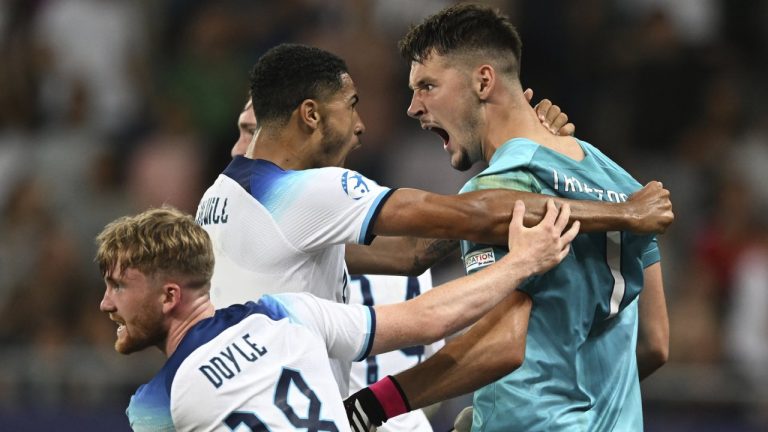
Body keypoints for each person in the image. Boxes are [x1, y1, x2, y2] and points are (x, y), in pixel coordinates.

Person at [197, 43, 673, 397]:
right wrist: (623, 213)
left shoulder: (221, 198)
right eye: (352, 106)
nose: (362, 126)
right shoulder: (303, 192)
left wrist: (514, 150)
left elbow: (411, 254)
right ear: (311, 115)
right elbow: (474, 217)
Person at [345, 4, 672, 431]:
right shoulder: (623, 184)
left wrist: (377, 403)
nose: (413, 107)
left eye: (427, 85)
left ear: (483, 80)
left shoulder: (497, 192)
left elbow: (501, 345)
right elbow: (655, 344)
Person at [96, 201, 577, 431]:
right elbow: (430, 318)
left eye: (118, 285)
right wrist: (523, 262)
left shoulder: (155, 404)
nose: (106, 303)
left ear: (169, 296)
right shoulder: (283, 312)